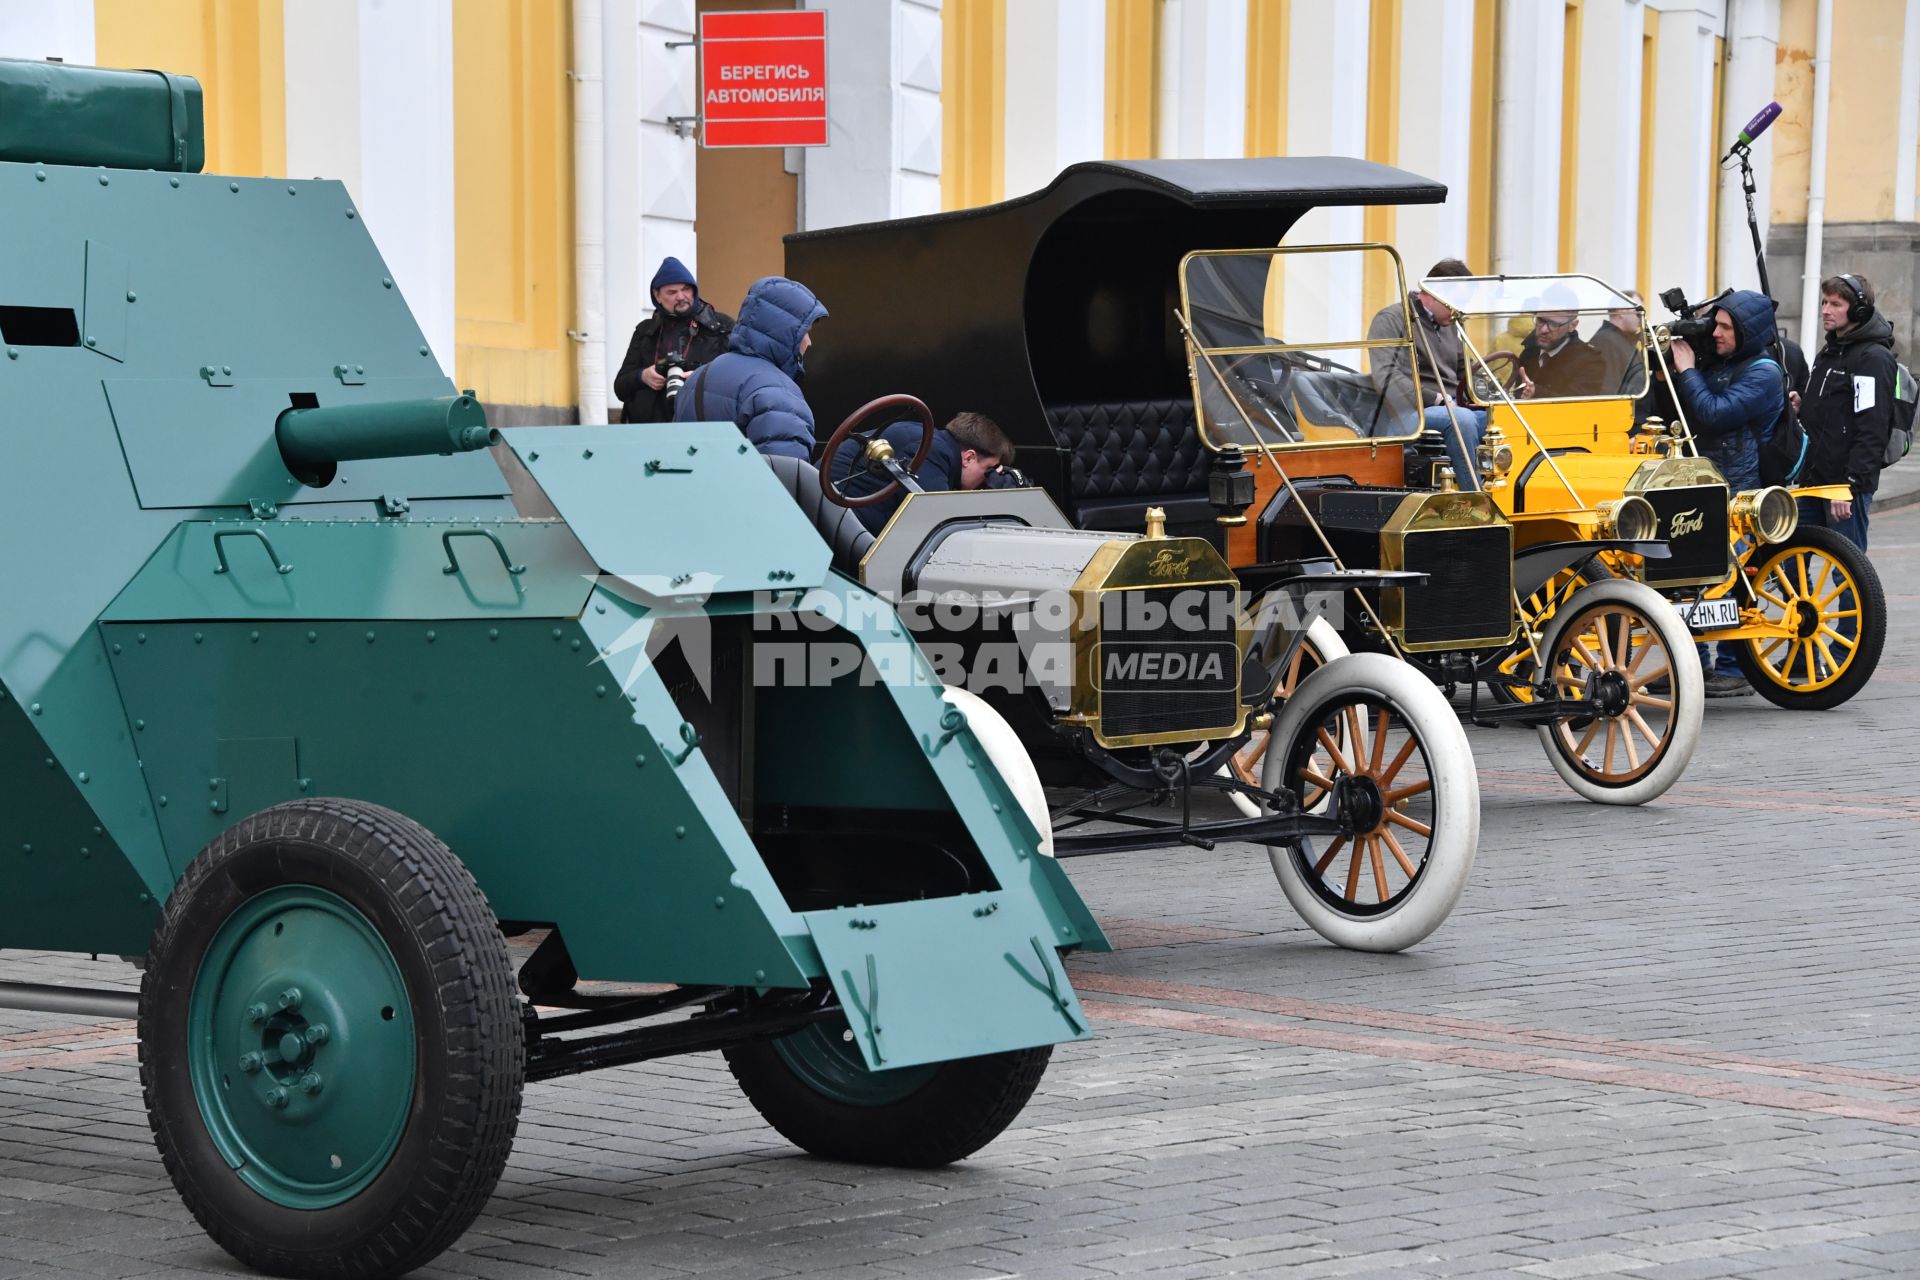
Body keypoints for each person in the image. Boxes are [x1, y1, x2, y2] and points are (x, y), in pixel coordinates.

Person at [1666, 288, 1786, 696]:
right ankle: (1693, 663)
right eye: (1714, 325)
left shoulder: (1763, 372)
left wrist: (1687, 369)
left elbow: (1713, 414)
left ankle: (1734, 669)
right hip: (1706, 479)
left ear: (1746, 331)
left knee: (1735, 578)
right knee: (1692, 575)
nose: (1715, 334)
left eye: (1724, 327)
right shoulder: (1723, 361)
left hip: (1740, 484)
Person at [1793, 273, 1898, 551]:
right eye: (1825, 302)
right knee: (1787, 558)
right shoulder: (1830, 350)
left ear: (1858, 310)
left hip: (1843, 487)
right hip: (1812, 482)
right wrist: (1802, 404)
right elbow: (1833, 410)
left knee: (1848, 571)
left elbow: (1872, 429)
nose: (1825, 311)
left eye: (1836, 304)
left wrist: (1848, 487)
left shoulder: (1872, 358)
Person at [674, 276, 827, 460]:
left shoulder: (698, 376)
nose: (809, 343)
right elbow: (785, 478)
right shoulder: (778, 391)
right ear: (786, 333)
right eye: (805, 332)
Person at [1368, 258, 1482, 487]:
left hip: (1452, 408)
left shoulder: (1452, 322)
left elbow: (1466, 371)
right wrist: (1438, 400)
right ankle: (1478, 501)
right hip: (1407, 415)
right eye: (1456, 300)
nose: (1460, 308)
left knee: (1502, 418)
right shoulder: (1392, 319)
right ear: (1431, 292)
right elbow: (1387, 379)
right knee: (1462, 420)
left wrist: (1498, 391)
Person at [830, 411, 1018, 533]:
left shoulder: (926, 439)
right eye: (989, 470)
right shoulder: (931, 451)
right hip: (836, 528)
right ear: (968, 458)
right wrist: (996, 498)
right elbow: (942, 525)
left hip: (833, 519)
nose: (987, 480)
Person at [612, 257, 733, 424]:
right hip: (650, 432)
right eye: (672, 292)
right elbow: (620, 387)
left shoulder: (720, 327)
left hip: (701, 426)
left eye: (686, 289)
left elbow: (736, 380)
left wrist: (701, 378)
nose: (681, 297)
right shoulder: (646, 331)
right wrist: (643, 376)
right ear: (657, 295)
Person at [1518, 308, 1608, 399]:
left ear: (1572, 325)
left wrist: (1536, 393)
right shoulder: (1530, 350)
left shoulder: (1590, 363)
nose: (1544, 330)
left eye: (1554, 324)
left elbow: (1577, 407)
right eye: (1540, 320)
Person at [1589, 291, 1647, 396]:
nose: (1641, 319)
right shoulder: (1607, 342)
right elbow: (1606, 392)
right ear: (1621, 311)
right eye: (1638, 313)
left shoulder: (1619, 341)